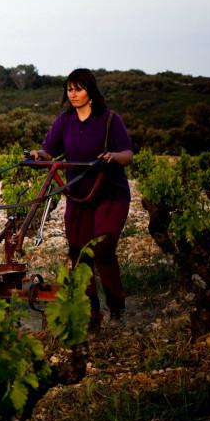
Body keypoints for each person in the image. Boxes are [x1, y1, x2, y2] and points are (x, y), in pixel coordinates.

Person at [29, 69, 134, 330]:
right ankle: (91, 313)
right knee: (78, 253)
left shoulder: (110, 120)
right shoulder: (64, 121)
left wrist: (113, 157)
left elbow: (128, 154)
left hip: (110, 193)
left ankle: (117, 308)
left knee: (103, 248)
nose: (73, 94)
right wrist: (39, 155)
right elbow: (48, 150)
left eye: (78, 89)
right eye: (69, 89)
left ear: (91, 91)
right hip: (79, 196)